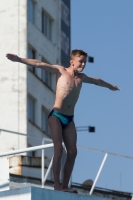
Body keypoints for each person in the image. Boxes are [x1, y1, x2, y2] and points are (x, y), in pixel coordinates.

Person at [6, 50, 120, 193]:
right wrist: (19, 59)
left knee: (72, 152)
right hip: (56, 116)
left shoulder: (82, 78)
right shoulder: (60, 71)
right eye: (81, 61)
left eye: (85, 62)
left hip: (69, 119)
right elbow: (39, 63)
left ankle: (65, 186)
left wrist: (110, 86)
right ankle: (57, 185)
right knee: (59, 149)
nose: (83, 64)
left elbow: (97, 81)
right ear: (72, 61)